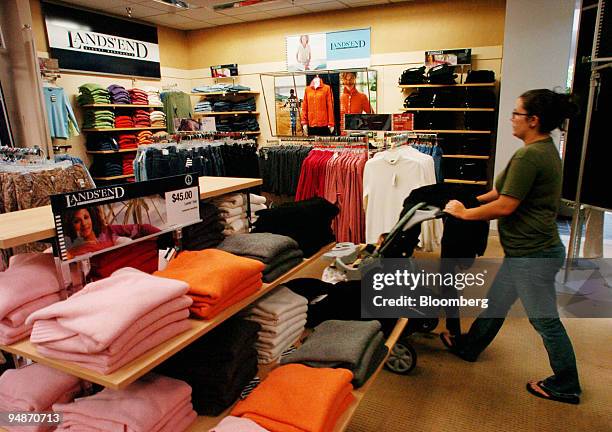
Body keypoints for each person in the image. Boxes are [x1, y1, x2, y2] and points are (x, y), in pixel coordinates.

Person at [442, 89, 582, 405]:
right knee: (496, 302)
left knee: (544, 321)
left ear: (533, 120)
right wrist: (467, 202)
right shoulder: (542, 149)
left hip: (533, 256)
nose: (512, 119)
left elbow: (506, 205)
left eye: (517, 114)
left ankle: (567, 383)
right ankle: (469, 347)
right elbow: (498, 191)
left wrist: (465, 215)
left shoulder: (530, 155)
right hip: (526, 252)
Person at [64, 206, 160, 259]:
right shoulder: (73, 252)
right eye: (77, 221)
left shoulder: (108, 231)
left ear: (92, 217)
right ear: (71, 225)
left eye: (86, 217)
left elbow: (141, 228)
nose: (84, 224)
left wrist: (165, 236)